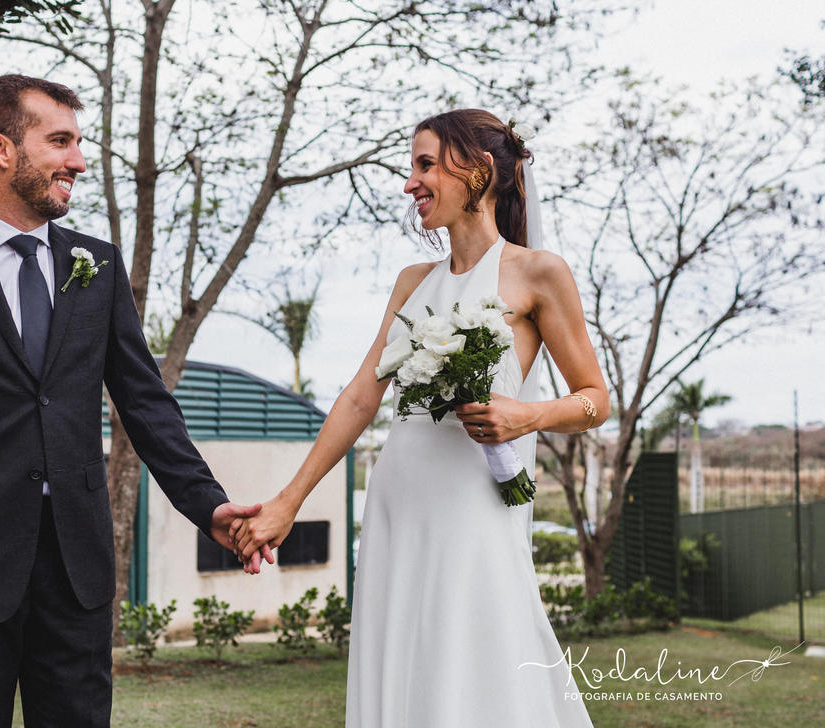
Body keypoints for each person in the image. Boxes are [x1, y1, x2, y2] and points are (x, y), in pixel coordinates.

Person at [0, 74, 269, 728]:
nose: (77, 160)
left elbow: (147, 406)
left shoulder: (97, 268)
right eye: (60, 141)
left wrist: (209, 506)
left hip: (77, 569)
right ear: (0, 148)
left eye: (78, 142)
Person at [233, 109, 607, 726]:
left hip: (475, 503)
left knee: (474, 658)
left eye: (425, 164)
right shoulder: (412, 282)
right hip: (398, 500)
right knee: (402, 658)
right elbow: (361, 396)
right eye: (412, 167)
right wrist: (288, 501)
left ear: (480, 171)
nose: (411, 182)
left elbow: (595, 398)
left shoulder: (539, 273)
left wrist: (527, 415)